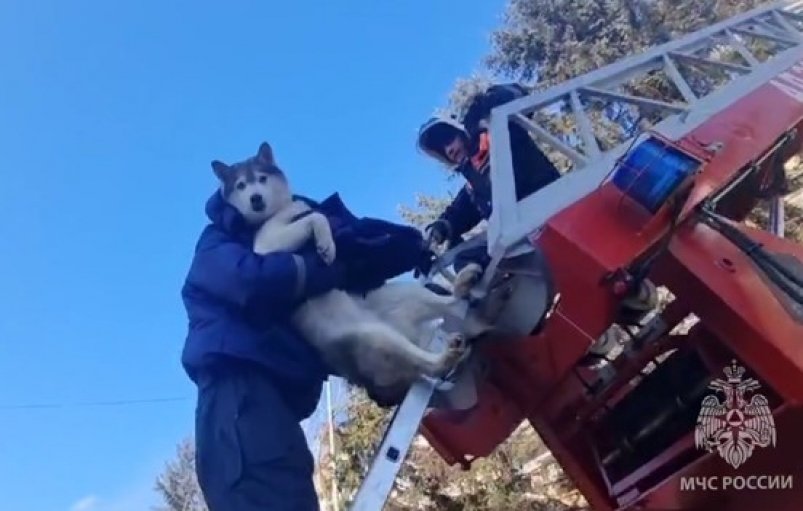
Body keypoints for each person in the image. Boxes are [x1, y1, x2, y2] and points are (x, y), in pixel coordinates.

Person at [181, 173, 430, 510]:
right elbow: (253, 281)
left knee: (292, 495)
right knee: (267, 495)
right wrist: (328, 270)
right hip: (238, 397)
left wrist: (377, 370)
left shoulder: (290, 292)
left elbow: (326, 325)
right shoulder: (220, 243)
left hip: (274, 408)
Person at [416, 82, 561, 292]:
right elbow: (457, 213)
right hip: (521, 234)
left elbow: (516, 97)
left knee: (494, 244)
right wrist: (439, 229)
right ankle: (475, 291)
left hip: (548, 202)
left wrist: (485, 103)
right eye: (441, 148)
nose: (448, 148)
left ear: (460, 131)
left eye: (448, 138)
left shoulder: (498, 132)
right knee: (462, 255)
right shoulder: (473, 186)